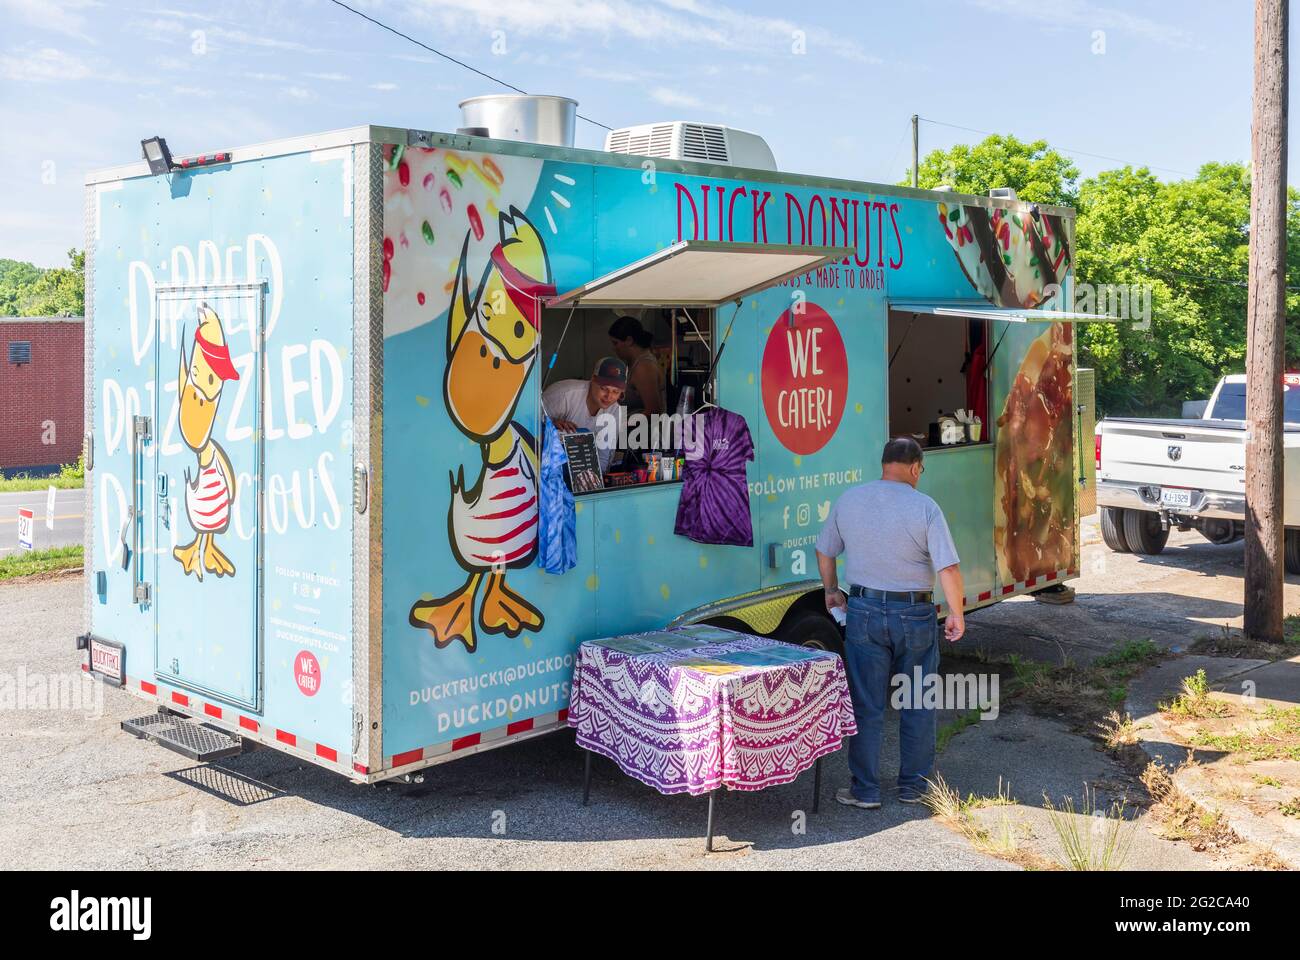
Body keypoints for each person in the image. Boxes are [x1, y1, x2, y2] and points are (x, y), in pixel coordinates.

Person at [815, 436, 965, 809]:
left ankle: (864, 790)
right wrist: (957, 613)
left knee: (867, 704)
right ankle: (913, 787)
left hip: (863, 610)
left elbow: (824, 549)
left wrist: (832, 590)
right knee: (917, 700)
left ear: (884, 464)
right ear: (915, 468)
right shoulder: (925, 507)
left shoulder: (850, 500)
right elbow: (947, 566)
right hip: (914, 614)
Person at [542, 356, 627, 473]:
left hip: (579, 471)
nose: (609, 396)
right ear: (593, 379)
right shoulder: (564, 395)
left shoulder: (615, 410)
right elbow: (526, 424)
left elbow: (603, 457)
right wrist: (549, 423)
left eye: (615, 392)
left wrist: (597, 483)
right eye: (604, 388)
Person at [608, 315, 666, 418]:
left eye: (615, 343)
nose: (614, 348)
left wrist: (619, 424)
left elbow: (654, 411)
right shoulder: (634, 364)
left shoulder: (643, 367)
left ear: (629, 341)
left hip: (645, 432)